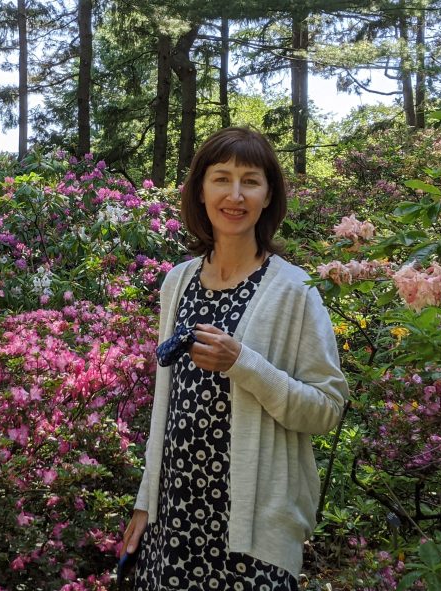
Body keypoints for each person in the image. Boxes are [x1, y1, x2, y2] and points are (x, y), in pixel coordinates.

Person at [120, 127, 348, 590]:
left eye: (251, 180)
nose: (236, 194)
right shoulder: (177, 282)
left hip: (251, 534)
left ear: (268, 196)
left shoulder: (294, 291)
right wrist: (147, 500)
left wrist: (243, 362)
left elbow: (326, 408)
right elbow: (167, 408)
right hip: (173, 523)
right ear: (201, 191)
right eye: (222, 178)